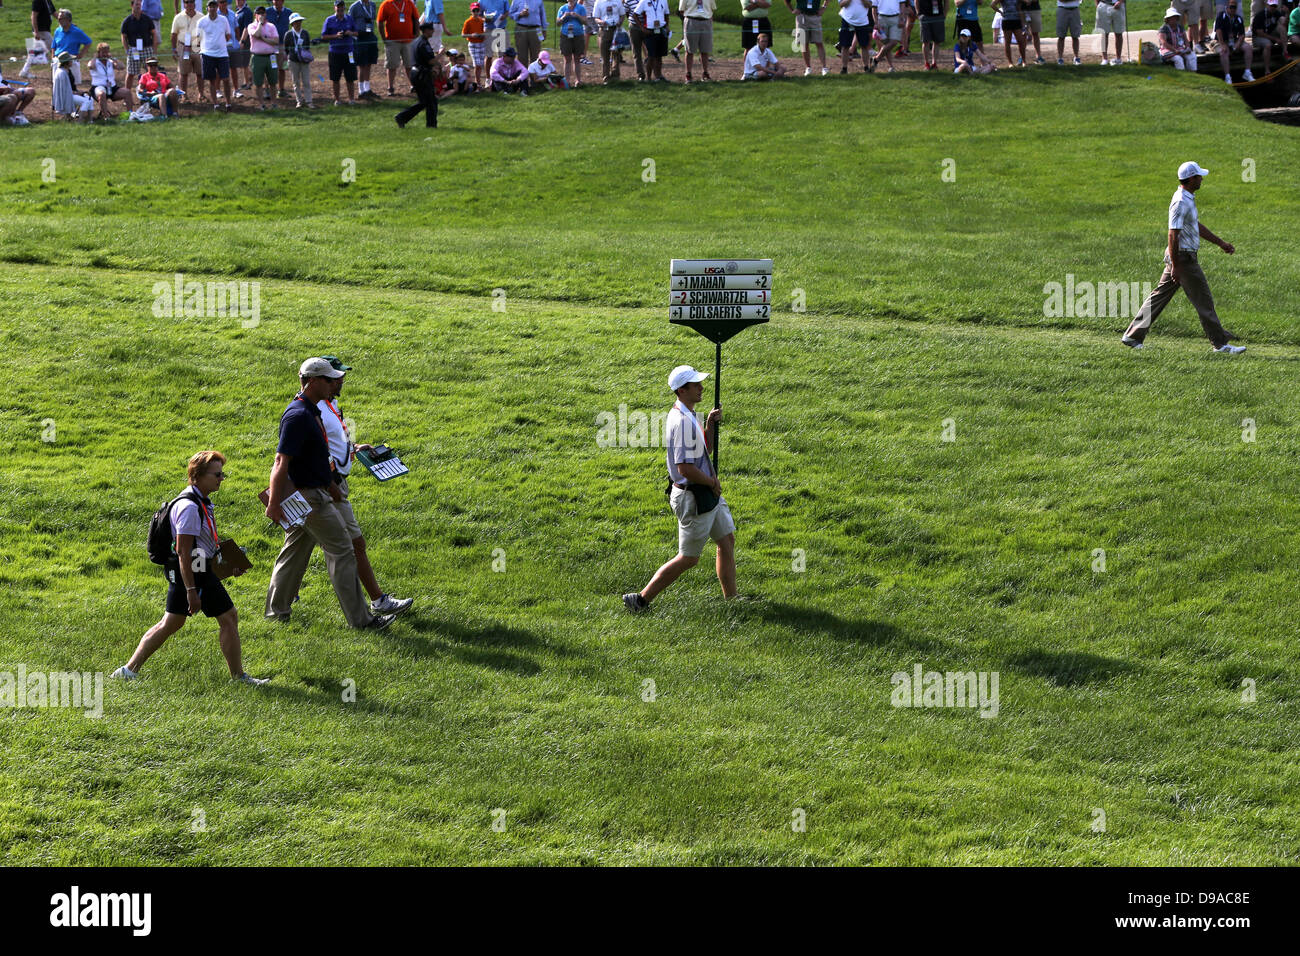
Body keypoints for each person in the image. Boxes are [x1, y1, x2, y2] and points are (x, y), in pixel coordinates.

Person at [111, 452, 268, 686]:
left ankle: (128, 670)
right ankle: (238, 677)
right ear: (197, 476)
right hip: (194, 575)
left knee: (174, 622)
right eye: (217, 474)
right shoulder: (189, 508)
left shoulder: (201, 502)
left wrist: (228, 564)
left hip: (198, 571)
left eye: (222, 473)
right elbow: (185, 552)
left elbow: (200, 547)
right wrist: (191, 590)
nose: (221, 478)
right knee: (226, 617)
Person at [265, 359, 397, 630]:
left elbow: (317, 456)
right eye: (328, 379)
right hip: (309, 497)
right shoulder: (298, 415)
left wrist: (332, 484)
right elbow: (281, 462)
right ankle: (362, 621)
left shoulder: (312, 411)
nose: (335, 384)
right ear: (312, 381)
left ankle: (276, 611)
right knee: (343, 550)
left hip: (318, 491)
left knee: (295, 550)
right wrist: (274, 503)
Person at [306, 357, 416, 619]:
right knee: (350, 547)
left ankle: (281, 603)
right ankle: (373, 605)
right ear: (322, 380)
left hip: (331, 484)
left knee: (300, 547)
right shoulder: (313, 409)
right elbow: (309, 452)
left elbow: (332, 442)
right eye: (336, 377)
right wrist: (331, 485)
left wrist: (354, 448)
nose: (341, 380)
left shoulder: (330, 405)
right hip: (326, 486)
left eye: (342, 376)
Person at [623, 365, 735, 613]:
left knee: (726, 540)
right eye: (696, 385)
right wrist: (711, 482)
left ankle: (733, 602)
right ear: (681, 390)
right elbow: (685, 468)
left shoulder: (688, 414)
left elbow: (704, 451)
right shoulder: (683, 422)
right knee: (689, 558)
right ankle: (640, 600)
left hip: (706, 494)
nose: (702, 388)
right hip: (694, 497)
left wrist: (710, 426)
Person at [1123, 162, 1244, 355]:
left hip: (1180, 258)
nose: (1202, 179)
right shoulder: (1180, 201)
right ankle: (1220, 344)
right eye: (1199, 176)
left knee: (1158, 297)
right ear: (1190, 179)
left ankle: (1132, 335)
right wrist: (1177, 266)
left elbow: (1195, 225)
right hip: (1183, 258)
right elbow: (1172, 235)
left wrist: (1220, 243)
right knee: (1204, 300)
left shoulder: (1187, 198)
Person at [396, 19, 441, 123]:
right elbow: (431, 61)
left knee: (425, 101)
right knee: (430, 101)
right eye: (431, 29)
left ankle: (402, 118)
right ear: (425, 31)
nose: (433, 31)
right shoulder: (424, 44)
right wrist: (441, 54)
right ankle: (430, 125)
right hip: (422, 75)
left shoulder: (416, 41)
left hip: (416, 73)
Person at [197, 0, 234, 110]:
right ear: (207, 8)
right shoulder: (201, 21)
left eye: (214, 6)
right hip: (207, 54)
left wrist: (220, 43)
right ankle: (216, 104)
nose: (212, 8)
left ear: (217, 7)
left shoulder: (223, 20)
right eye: (210, 6)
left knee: (226, 79)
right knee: (212, 80)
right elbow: (198, 38)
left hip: (222, 54)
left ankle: (228, 103)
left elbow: (228, 35)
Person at [378, 0, 420, 94]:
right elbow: (380, 22)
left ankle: (413, 85)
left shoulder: (409, 3)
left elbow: (416, 19)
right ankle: (390, 87)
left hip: (408, 41)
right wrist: (384, 38)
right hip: (392, 41)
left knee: (410, 65)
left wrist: (417, 34)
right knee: (391, 65)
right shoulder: (386, 4)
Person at [323, 0, 359, 105]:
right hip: (335, 52)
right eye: (338, 7)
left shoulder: (349, 19)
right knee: (335, 78)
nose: (340, 9)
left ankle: (351, 99)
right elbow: (324, 36)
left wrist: (350, 33)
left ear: (344, 7)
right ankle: (337, 100)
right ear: (334, 8)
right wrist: (336, 36)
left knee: (350, 77)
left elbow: (356, 33)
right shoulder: (329, 20)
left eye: (342, 7)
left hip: (349, 52)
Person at [122, 0, 159, 101]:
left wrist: (154, 50)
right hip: (134, 50)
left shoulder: (147, 19)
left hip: (147, 48)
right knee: (130, 73)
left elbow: (154, 34)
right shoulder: (127, 21)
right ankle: (127, 97)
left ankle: (153, 94)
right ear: (132, 5)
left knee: (151, 72)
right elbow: (124, 37)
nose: (138, 6)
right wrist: (127, 50)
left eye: (140, 4)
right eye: (136, 4)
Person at [244, 4, 279, 108]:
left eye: (263, 13)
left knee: (272, 82)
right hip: (257, 57)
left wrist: (264, 39)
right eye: (259, 13)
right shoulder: (251, 26)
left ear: (266, 14)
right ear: (255, 15)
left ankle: (274, 103)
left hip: (271, 57)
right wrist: (259, 23)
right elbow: (256, 34)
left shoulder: (271, 26)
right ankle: (261, 104)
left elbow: (276, 41)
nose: (261, 15)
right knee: (258, 83)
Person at [171, 0, 206, 100]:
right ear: (184, 4)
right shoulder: (178, 17)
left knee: (200, 72)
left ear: (194, 4)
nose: (189, 4)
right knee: (183, 73)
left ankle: (201, 94)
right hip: (183, 47)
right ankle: (184, 95)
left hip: (197, 46)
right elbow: (173, 34)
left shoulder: (201, 16)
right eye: (187, 2)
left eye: (191, 2)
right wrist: (174, 49)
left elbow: (205, 33)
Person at [51, 8, 92, 87]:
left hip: (70, 61)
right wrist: (53, 58)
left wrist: (81, 54)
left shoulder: (77, 32)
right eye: (58, 19)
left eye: (61, 19)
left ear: (68, 19)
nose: (59, 20)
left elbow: (88, 42)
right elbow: (54, 45)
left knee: (72, 86)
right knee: (57, 85)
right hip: (58, 61)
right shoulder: (57, 31)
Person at [1215, 0, 1255, 78]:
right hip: (1222, 40)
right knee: (1223, 52)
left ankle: (1247, 72)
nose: (1233, 9)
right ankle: (1227, 76)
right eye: (1231, 7)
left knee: (1248, 48)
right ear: (1227, 7)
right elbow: (1218, 31)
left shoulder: (1238, 18)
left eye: (1234, 7)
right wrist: (1222, 44)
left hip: (1234, 40)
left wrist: (1238, 44)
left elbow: (1242, 35)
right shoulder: (1221, 16)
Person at [784, 0, 825, 75]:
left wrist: (824, 7)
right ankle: (808, 68)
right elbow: (786, 0)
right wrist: (792, 10)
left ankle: (824, 68)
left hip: (815, 16)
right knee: (804, 43)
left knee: (819, 42)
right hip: (802, 17)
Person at [349, 0, 380, 98]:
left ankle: (367, 89)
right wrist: (354, 35)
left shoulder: (372, 5)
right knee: (362, 65)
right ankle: (361, 91)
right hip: (360, 37)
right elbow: (349, 22)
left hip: (370, 36)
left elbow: (372, 19)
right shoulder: (354, 7)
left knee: (369, 63)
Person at [90, 43, 129, 119]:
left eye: (107, 52)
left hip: (112, 87)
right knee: (102, 94)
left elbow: (122, 67)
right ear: (98, 53)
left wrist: (113, 58)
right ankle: (106, 116)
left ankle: (130, 113)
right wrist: (95, 57)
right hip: (98, 86)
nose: (105, 54)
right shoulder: (94, 62)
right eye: (103, 52)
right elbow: (91, 66)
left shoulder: (110, 62)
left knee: (127, 92)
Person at [282, 11, 314, 106]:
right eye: (296, 21)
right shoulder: (288, 34)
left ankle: (309, 101)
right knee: (296, 82)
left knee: (306, 82)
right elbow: (286, 48)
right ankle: (299, 101)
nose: (298, 23)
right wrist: (292, 55)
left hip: (304, 61)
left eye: (299, 21)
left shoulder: (305, 33)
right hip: (293, 61)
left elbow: (307, 46)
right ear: (292, 23)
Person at [871, 0, 912, 70]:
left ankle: (876, 59)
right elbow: (874, 8)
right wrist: (876, 22)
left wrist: (902, 18)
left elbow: (902, 5)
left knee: (894, 42)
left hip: (896, 18)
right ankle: (891, 66)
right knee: (887, 44)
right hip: (882, 18)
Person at [264, 0, 294, 97]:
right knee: (269, 68)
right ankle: (267, 90)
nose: (277, 2)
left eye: (279, 0)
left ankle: (281, 90)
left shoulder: (289, 12)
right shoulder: (267, 11)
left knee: (282, 68)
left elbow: (292, 28)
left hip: (282, 45)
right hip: (270, 44)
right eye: (275, 0)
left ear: (283, 1)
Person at [22, 0, 56, 81]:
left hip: (45, 30)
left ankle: (24, 71)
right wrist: (36, 31)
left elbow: (54, 13)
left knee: (32, 52)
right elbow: (33, 16)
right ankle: (57, 71)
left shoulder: (48, 1)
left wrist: (68, 22)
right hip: (41, 31)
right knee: (55, 48)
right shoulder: (38, 1)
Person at [52, 50, 92, 119]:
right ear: (66, 62)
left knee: (90, 99)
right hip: (67, 97)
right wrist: (77, 93)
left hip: (72, 93)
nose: (72, 62)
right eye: (71, 60)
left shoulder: (67, 70)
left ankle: (90, 120)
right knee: (86, 101)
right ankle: (80, 121)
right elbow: (64, 91)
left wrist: (78, 92)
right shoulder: (62, 73)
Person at [636, 0, 670, 79]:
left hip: (661, 30)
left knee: (659, 56)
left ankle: (658, 76)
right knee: (651, 56)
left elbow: (667, 14)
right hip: (650, 31)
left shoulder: (663, 1)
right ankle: (649, 78)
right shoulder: (644, 1)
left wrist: (667, 26)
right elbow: (635, 14)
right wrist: (642, 28)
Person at [557, 0, 588, 84]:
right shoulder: (562, 8)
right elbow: (557, 23)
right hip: (565, 35)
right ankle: (567, 81)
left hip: (578, 35)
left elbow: (585, 22)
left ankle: (578, 80)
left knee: (577, 59)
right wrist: (563, 16)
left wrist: (577, 16)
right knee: (567, 59)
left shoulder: (581, 8)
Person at [837, 0, 873, 72]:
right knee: (845, 45)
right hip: (847, 20)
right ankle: (844, 69)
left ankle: (866, 68)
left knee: (864, 45)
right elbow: (841, 4)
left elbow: (869, 5)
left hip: (862, 21)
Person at [217, 0, 244, 94]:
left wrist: (238, 40)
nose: (223, 4)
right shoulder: (215, 14)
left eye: (224, 2)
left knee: (234, 68)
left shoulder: (232, 14)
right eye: (221, 2)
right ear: (217, 3)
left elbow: (237, 29)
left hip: (233, 46)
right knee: (219, 69)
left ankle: (236, 89)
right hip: (220, 47)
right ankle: (217, 90)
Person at [509, 0, 547, 67]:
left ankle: (534, 75)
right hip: (521, 29)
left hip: (535, 29)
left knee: (535, 54)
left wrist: (544, 30)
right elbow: (511, 14)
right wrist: (520, 14)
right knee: (522, 55)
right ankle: (523, 76)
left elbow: (542, 15)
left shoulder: (539, 1)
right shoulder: (516, 1)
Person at [1250, 0, 1283, 74]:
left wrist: (1286, 14)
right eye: (1271, 6)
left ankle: (1285, 53)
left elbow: (1283, 21)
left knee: (1282, 29)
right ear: (1267, 5)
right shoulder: (1260, 15)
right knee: (1268, 45)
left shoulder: (1276, 13)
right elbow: (1260, 33)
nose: (1273, 8)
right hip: (1258, 37)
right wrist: (1275, 39)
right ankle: (1267, 70)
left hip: (1269, 35)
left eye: (1275, 6)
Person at [989, 0, 1026, 64]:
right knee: (1007, 42)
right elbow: (992, 4)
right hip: (1007, 20)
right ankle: (1010, 63)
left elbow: (1021, 7)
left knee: (1020, 41)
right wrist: (1000, 12)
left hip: (1016, 20)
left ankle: (1024, 61)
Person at [479, 0, 511, 74]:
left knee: (503, 55)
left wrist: (504, 16)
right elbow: (479, 14)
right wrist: (485, 19)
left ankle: (502, 76)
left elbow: (507, 11)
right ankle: (488, 78)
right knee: (488, 56)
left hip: (501, 29)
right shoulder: (481, 1)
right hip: (488, 30)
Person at [464, 2, 488, 88]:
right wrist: (471, 35)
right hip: (473, 44)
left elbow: (485, 32)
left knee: (480, 65)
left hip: (482, 44)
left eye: (477, 10)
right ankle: (478, 84)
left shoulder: (482, 21)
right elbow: (463, 34)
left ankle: (478, 83)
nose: (476, 12)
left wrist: (482, 35)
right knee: (477, 64)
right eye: (474, 10)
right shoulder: (468, 22)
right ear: (471, 11)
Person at [915, 0, 945, 69]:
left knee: (937, 41)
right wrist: (918, 14)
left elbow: (946, 2)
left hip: (938, 16)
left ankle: (934, 63)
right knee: (925, 41)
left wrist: (944, 14)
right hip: (925, 16)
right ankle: (927, 63)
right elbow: (916, 1)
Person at [233, 0, 254, 90]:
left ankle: (247, 82)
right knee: (241, 62)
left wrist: (242, 41)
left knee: (244, 62)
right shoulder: (238, 11)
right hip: (238, 40)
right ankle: (251, 76)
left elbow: (247, 27)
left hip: (245, 40)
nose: (237, 1)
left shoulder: (247, 11)